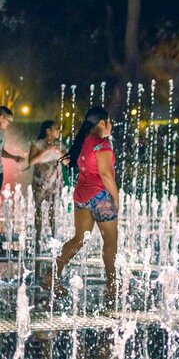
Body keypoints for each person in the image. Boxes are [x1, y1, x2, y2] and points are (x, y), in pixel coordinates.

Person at [46, 107, 119, 308]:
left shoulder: (85, 141)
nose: (111, 125)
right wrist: (116, 198)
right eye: (109, 121)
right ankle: (112, 286)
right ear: (102, 123)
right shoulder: (102, 145)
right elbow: (106, 175)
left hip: (82, 196)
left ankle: (52, 275)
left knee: (78, 239)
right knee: (110, 243)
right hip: (101, 197)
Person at [29, 120, 68, 249]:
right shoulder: (38, 144)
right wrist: (47, 150)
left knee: (54, 210)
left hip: (55, 182)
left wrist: (58, 152)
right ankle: (38, 238)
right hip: (40, 182)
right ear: (48, 131)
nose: (58, 131)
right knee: (39, 210)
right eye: (56, 128)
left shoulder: (59, 145)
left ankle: (54, 237)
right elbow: (32, 161)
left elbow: (67, 161)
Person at [0, 106, 26, 188]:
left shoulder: (3, 133)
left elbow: (1, 151)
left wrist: (13, 157)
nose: (9, 123)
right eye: (8, 120)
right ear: (1, 118)